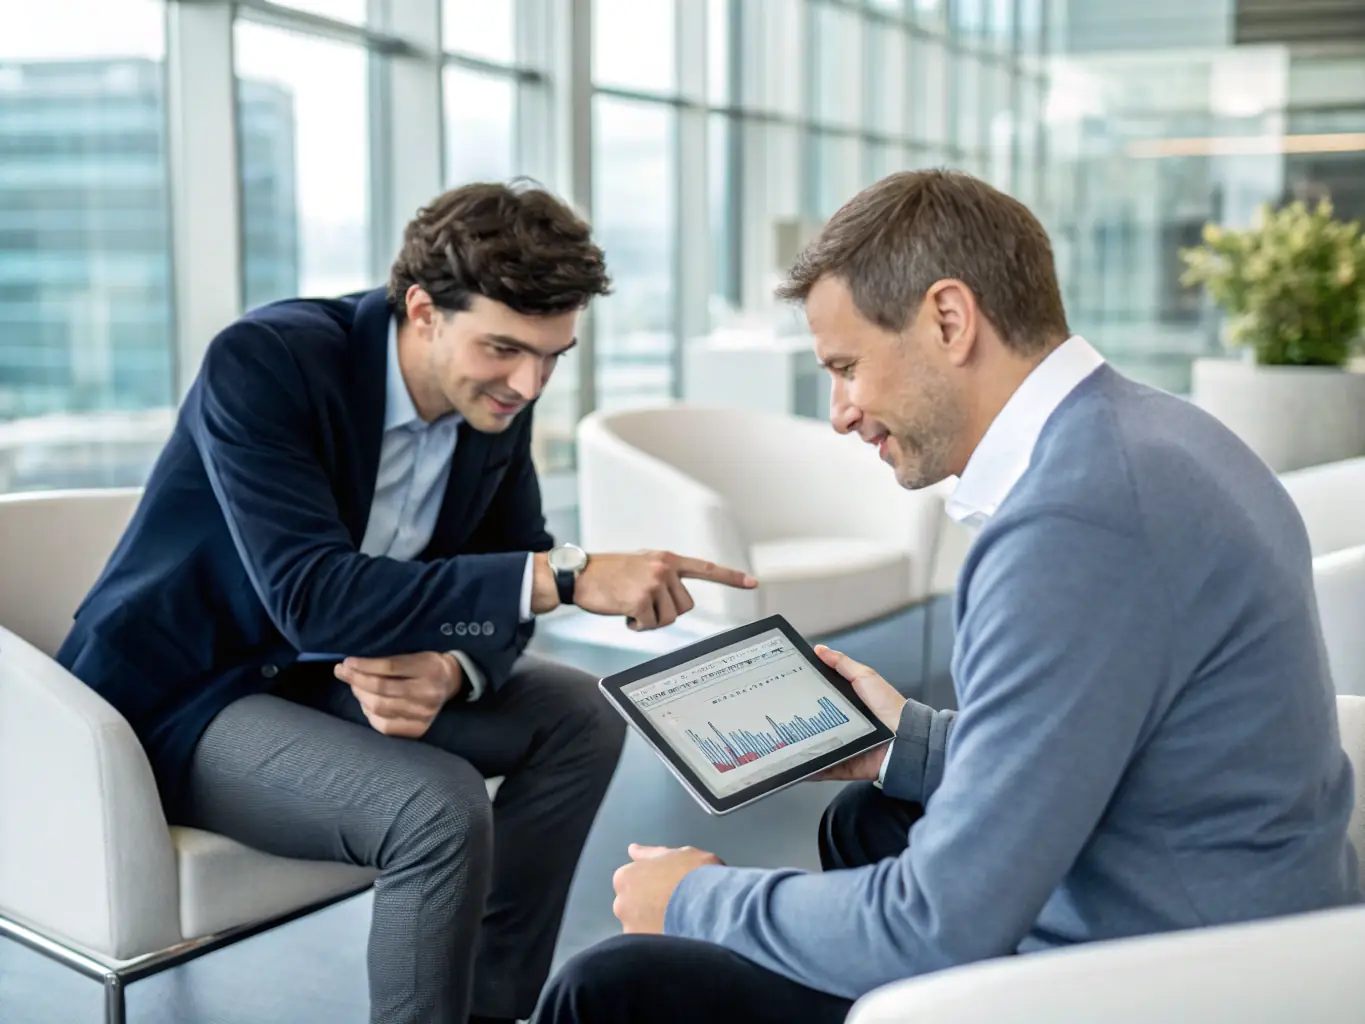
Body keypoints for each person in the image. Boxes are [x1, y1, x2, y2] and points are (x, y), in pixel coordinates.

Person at [535, 170, 1362, 1024]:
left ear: (949, 319)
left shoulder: (1072, 526)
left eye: (847, 367)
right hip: (1241, 901)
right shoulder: (1159, 434)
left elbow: (933, 925)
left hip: (1161, 977)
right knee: (870, 813)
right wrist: (908, 743)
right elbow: (1117, 725)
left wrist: (695, 900)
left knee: (609, 990)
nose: (840, 413)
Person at [57, 180, 757, 1024]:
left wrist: (451, 666)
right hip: (192, 694)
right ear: (422, 309)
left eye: (552, 357)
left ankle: (494, 1012)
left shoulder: (491, 400)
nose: (529, 383)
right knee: (436, 806)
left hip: (330, 677)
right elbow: (311, 598)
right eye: (505, 349)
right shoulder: (266, 362)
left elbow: (500, 574)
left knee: (581, 715)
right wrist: (565, 575)